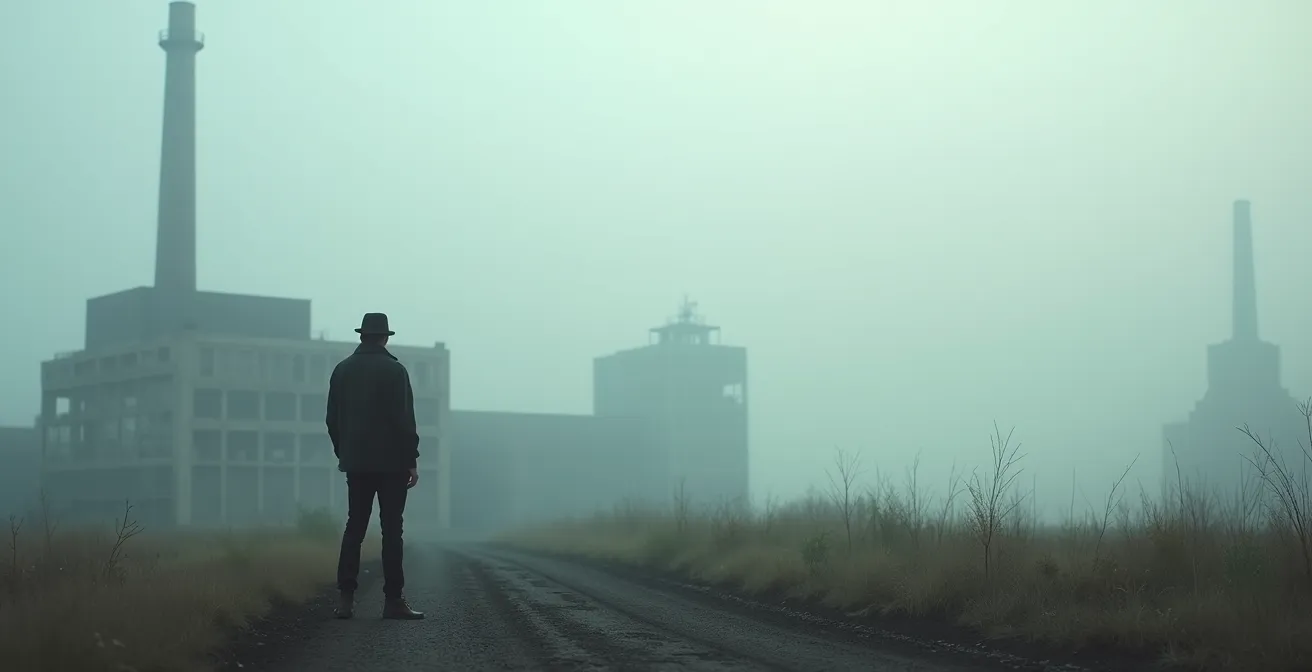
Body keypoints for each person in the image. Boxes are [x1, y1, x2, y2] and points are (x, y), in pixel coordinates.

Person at [326, 312, 424, 620]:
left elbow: (332, 420)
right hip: (393, 463)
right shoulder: (395, 371)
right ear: (385, 337)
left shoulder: (342, 370)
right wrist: (411, 459)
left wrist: (345, 451)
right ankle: (393, 601)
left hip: (356, 462)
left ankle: (345, 600)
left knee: (355, 526)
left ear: (361, 336)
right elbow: (404, 421)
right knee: (391, 530)